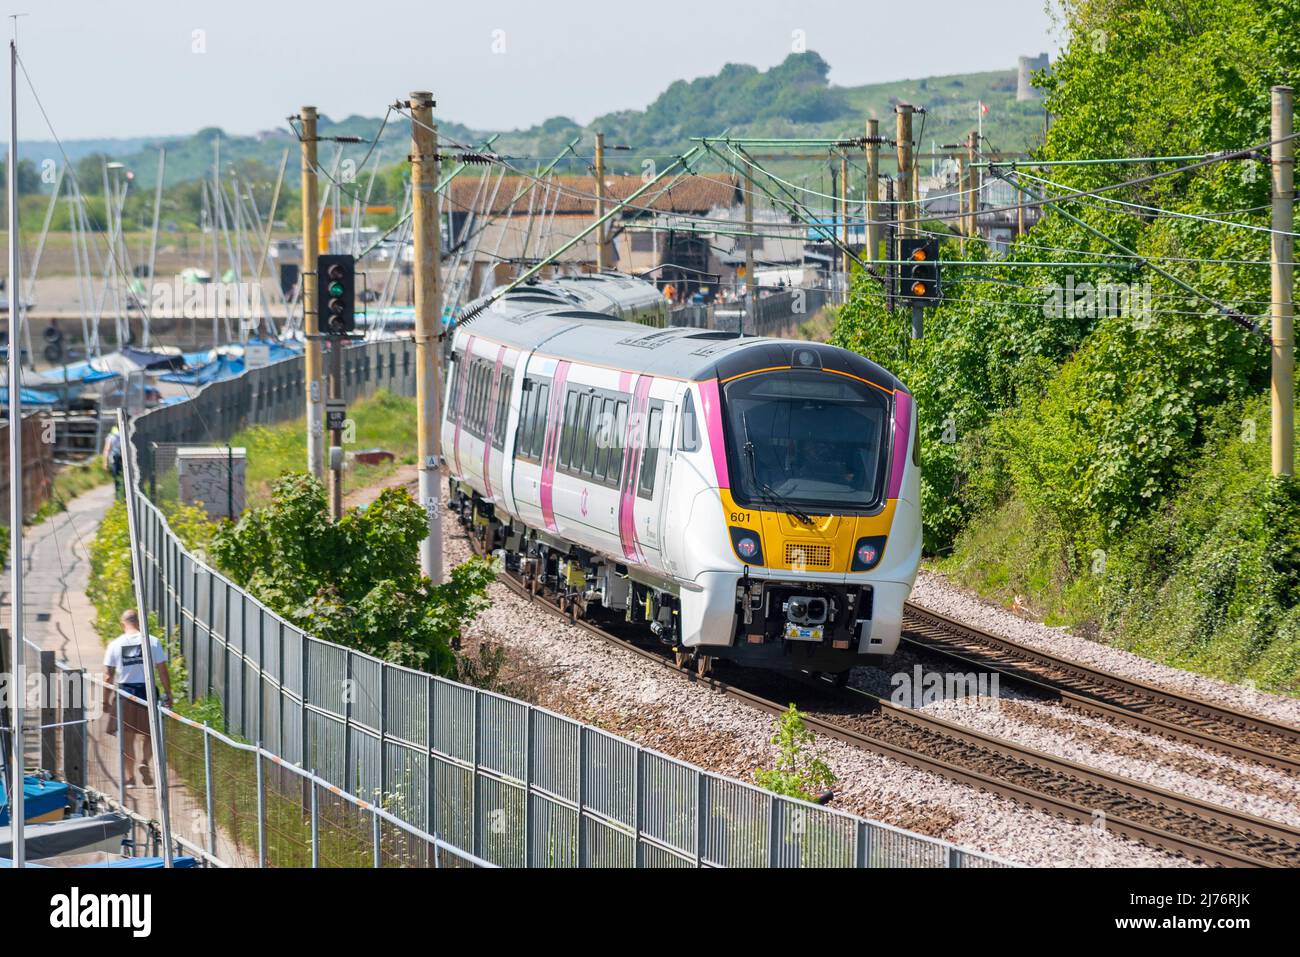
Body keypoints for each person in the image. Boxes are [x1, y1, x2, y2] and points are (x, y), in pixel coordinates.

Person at [103, 609, 172, 788]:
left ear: (122, 624)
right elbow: (162, 670)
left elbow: (108, 676)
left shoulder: (115, 644)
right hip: (147, 692)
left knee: (127, 739)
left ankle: (130, 779)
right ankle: (144, 762)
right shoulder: (152, 641)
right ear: (139, 622)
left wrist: (105, 699)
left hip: (125, 693)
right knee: (151, 734)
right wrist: (169, 693)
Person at [102, 425, 123, 499]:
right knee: (122, 478)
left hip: (115, 459)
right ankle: (121, 496)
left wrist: (105, 462)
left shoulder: (110, 437)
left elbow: (107, 450)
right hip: (121, 458)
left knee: (117, 478)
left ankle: (118, 496)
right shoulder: (123, 435)